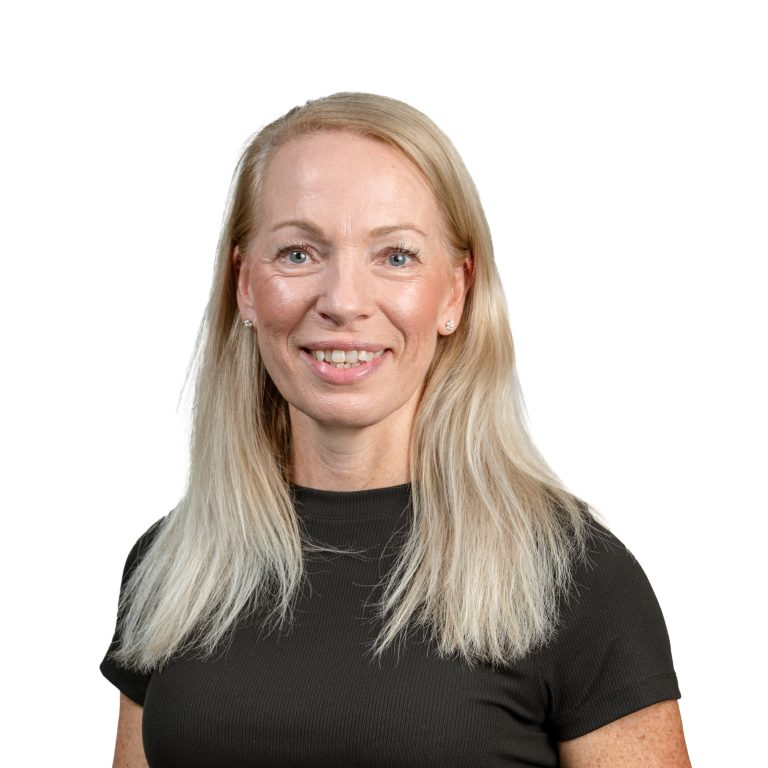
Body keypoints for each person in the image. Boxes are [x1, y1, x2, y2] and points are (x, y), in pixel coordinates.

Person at [101, 92, 691, 767]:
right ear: (244, 286)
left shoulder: (573, 577)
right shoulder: (173, 568)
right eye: (297, 253)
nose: (344, 301)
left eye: (396, 257)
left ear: (454, 294)